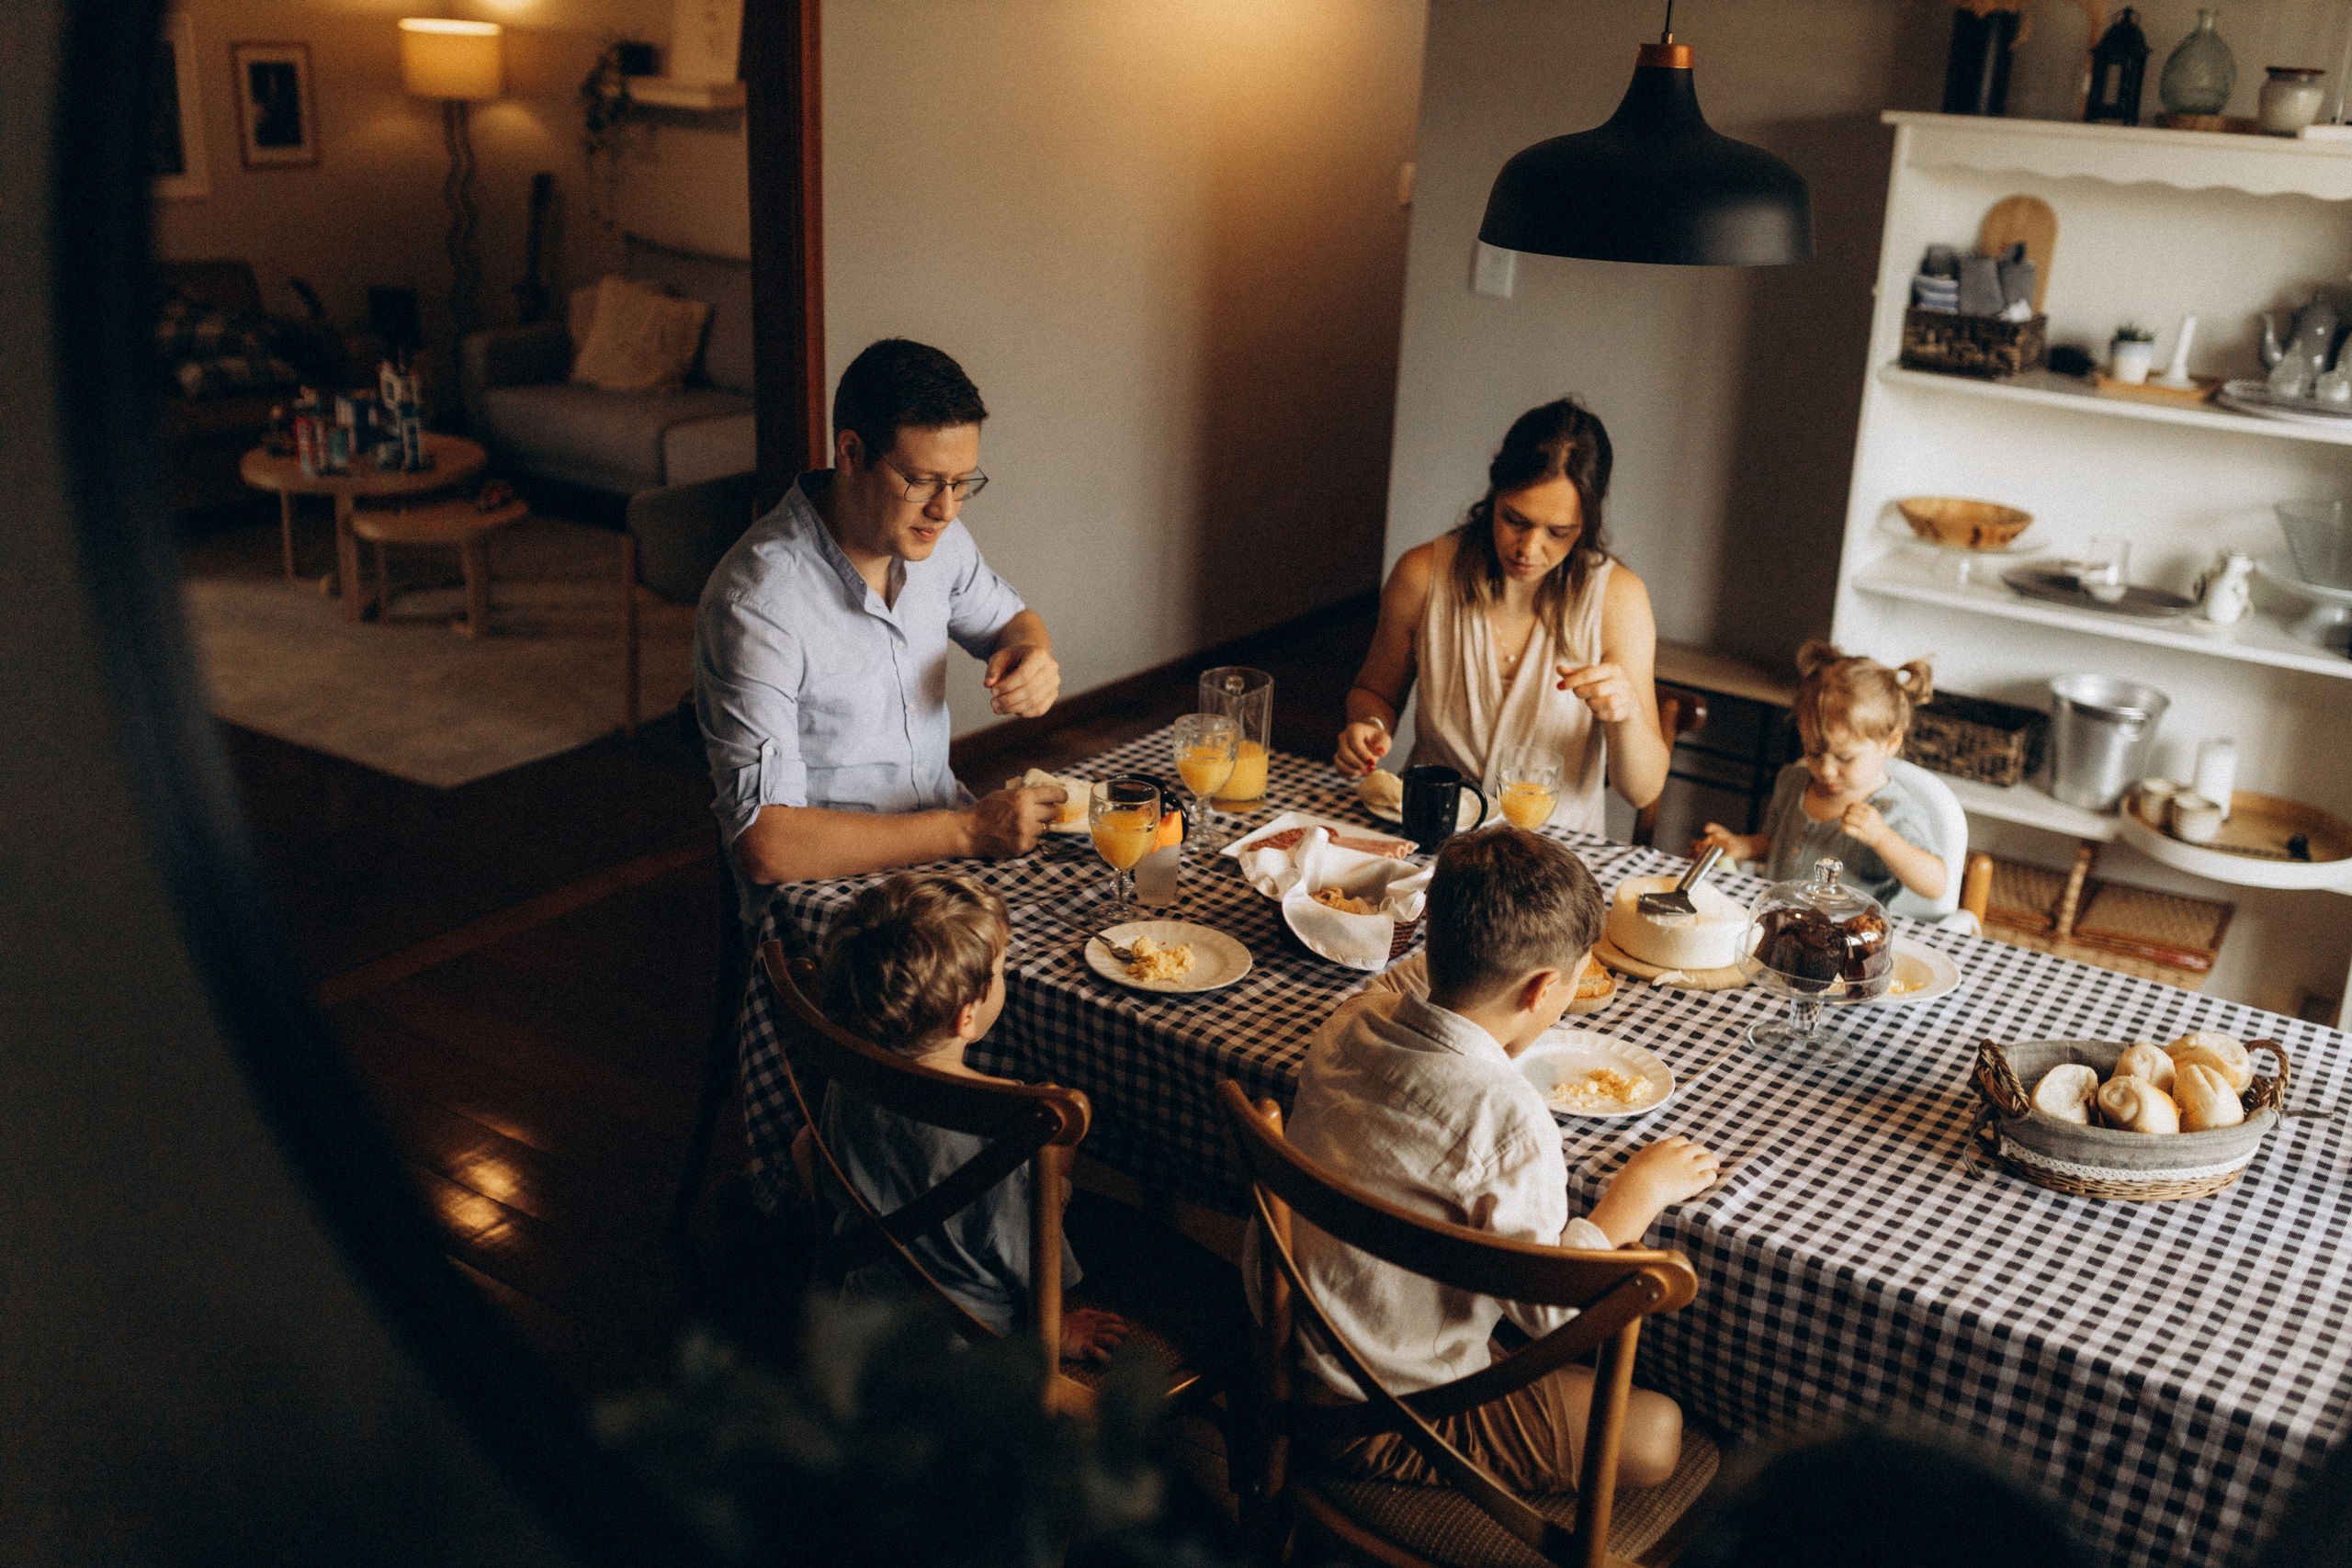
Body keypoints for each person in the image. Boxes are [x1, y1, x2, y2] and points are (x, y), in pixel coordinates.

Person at [1251, 826, 1719, 1492]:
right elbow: (1548, 1313)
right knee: (1658, 1430)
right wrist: (1633, 1197)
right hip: (1394, 1414)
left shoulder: (1346, 1024)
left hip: (1292, 1347)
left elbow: (1398, 987)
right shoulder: (1509, 1119)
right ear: (1540, 990)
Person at [696, 338, 1068, 923]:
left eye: (962, 482)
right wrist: (969, 832)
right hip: (831, 903)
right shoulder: (759, 601)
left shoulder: (934, 539)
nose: (947, 509)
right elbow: (766, 843)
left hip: (944, 856)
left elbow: (1012, 623)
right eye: (923, 481)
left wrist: (1030, 653)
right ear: (850, 453)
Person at [809, 871, 1130, 1361]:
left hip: (860, 1325)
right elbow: (1030, 1258)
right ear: (965, 1015)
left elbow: (811, 1165)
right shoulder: (1006, 1120)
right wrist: (1058, 1164)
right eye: (1001, 971)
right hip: (965, 1352)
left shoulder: (846, 1078)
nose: (1004, 978)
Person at [1333, 398, 1670, 835]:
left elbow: (1642, 791)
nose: (1528, 550)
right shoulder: (1421, 575)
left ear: (1587, 520)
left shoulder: (1618, 600)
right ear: (1495, 492)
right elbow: (1374, 692)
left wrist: (1623, 715)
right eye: (1515, 519)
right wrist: (1369, 726)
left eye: (1557, 532)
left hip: (1552, 855)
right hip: (1434, 835)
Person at [1692, 641, 1946, 908]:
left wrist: (1882, 838)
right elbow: (1775, 843)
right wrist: (1743, 847)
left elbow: (1936, 884)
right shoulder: (1793, 783)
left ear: (1891, 743)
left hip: (1846, 940)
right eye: (1813, 753)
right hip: (1778, 921)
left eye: (1844, 758)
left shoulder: (1892, 811)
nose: (1825, 770)